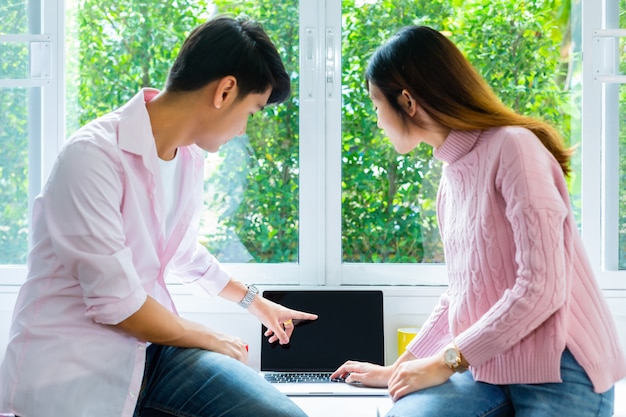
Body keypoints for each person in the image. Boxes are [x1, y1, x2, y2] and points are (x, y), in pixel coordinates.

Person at [0, 15, 317, 417]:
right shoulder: (92, 157)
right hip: (73, 374)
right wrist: (212, 338)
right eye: (251, 113)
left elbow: (180, 252)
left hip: (150, 357)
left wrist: (256, 302)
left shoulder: (188, 159)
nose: (243, 130)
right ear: (225, 91)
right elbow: (118, 305)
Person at [331, 25, 626, 416]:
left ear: (407, 101)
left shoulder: (514, 147)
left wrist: (442, 363)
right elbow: (462, 293)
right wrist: (400, 368)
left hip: (561, 368)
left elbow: (541, 289)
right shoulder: (451, 175)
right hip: (489, 367)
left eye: (375, 103)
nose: (376, 119)